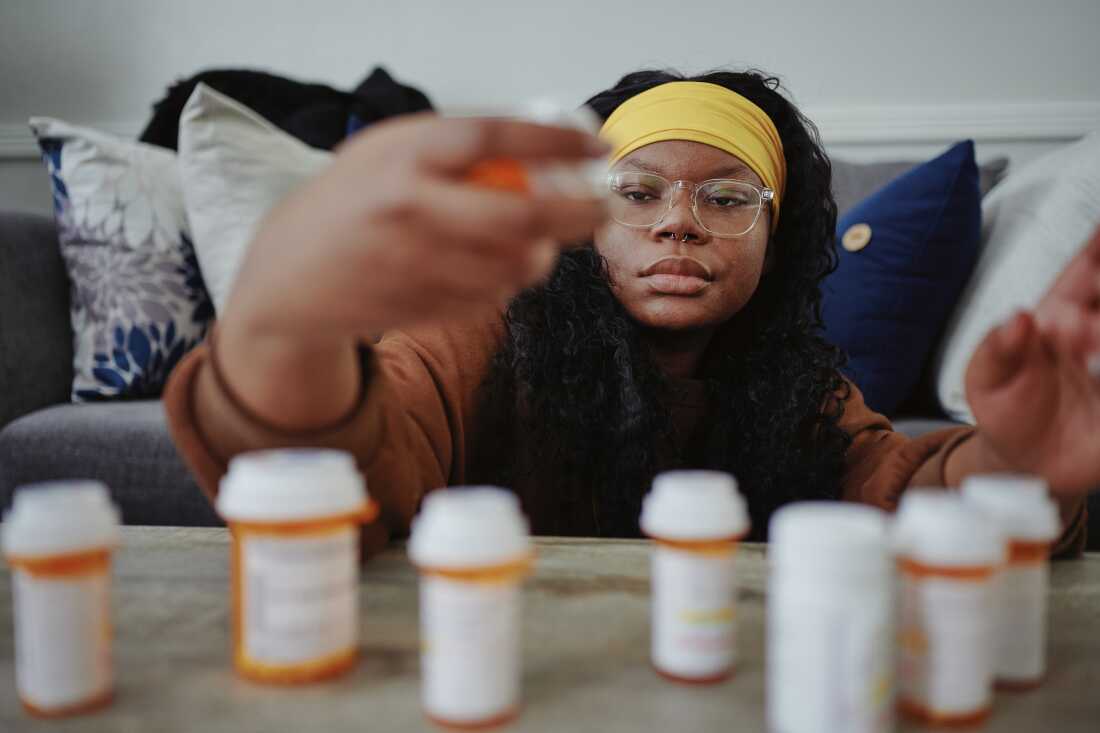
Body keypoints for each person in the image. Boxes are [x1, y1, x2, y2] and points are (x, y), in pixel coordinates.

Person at [164, 70, 1098, 556]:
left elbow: (907, 502)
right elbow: (343, 482)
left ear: (777, 241)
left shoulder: (800, 387)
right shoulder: (486, 335)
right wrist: (285, 322)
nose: (679, 226)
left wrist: (1016, 466)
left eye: (727, 200)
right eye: (637, 194)